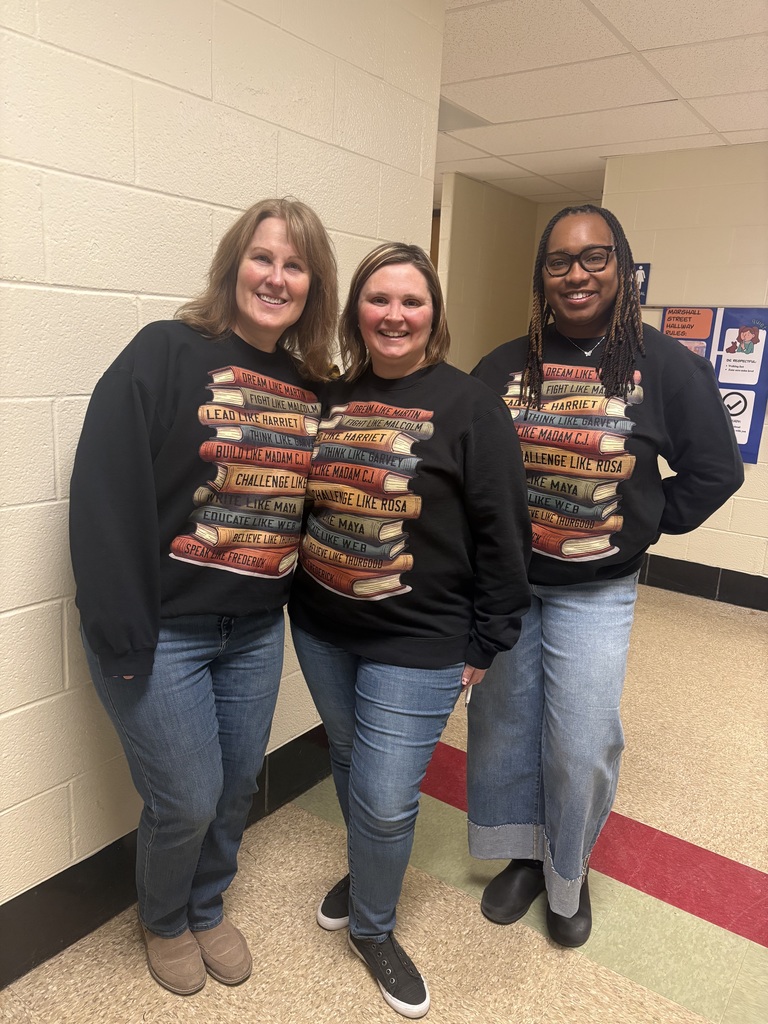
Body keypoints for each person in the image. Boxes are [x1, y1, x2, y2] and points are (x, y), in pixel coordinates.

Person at [69, 197, 338, 995]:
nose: (276, 276)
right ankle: (162, 919)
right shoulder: (165, 353)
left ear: (311, 287)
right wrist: (120, 632)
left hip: (253, 630)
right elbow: (105, 492)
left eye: (295, 266)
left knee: (230, 790)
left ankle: (208, 903)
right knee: (183, 798)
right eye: (264, 258)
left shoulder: (311, 386)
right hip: (161, 631)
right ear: (234, 265)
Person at [467, 204, 744, 947]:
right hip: (510, 590)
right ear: (542, 277)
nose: (577, 273)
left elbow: (715, 470)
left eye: (595, 257)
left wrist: (647, 522)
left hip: (598, 591)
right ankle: (524, 857)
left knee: (580, 739)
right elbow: (467, 472)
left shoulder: (665, 365)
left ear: (621, 268)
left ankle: (568, 870)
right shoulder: (502, 367)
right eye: (559, 261)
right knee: (505, 730)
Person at [288, 243, 531, 1018]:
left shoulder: (470, 406)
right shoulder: (329, 394)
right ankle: (369, 874)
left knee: (388, 798)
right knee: (355, 763)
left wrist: (488, 638)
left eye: (412, 302)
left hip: (421, 638)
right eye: (379, 300)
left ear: (434, 314)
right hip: (323, 624)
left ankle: (373, 926)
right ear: (358, 310)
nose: (395, 315)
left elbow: (504, 531)